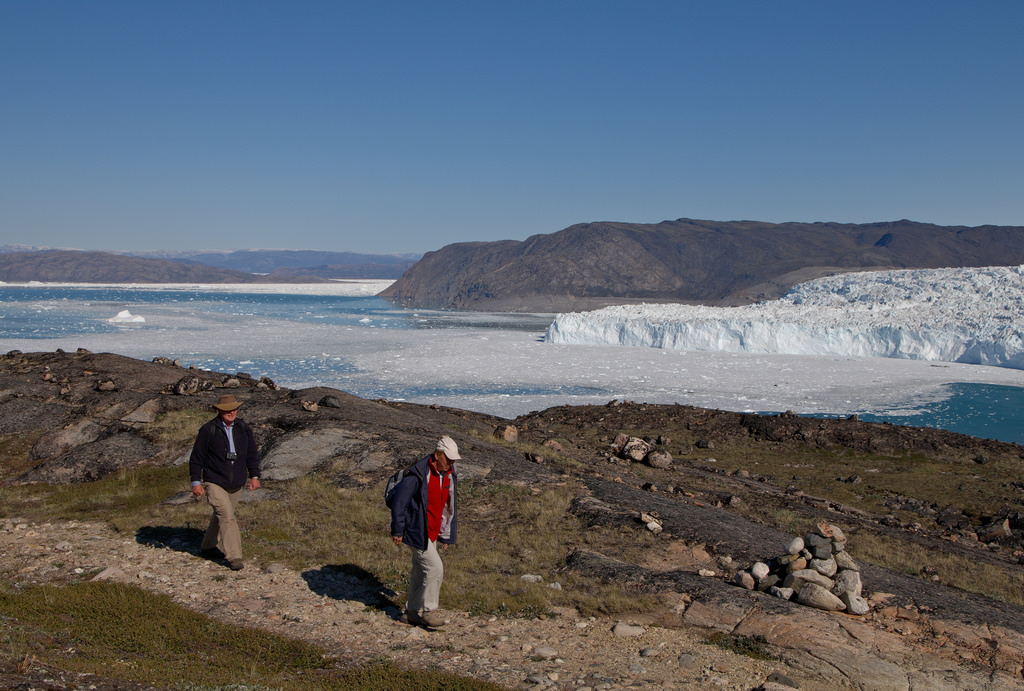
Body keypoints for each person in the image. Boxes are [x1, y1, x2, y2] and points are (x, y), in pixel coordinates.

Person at [390, 435, 460, 628]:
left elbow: (448, 506)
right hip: (416, 531)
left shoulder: (449, 475)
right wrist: (397, 530)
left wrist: (446, 534)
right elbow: (400, 503)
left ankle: (411, 612)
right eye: (448, 458)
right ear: (438, 455)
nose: (451, 463)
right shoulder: (418, 474)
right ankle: (429, 611)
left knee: (420, 572)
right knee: (435, 568)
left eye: (453, 459)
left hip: (432, 531)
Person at [189, 394, 261, 570]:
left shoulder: (243, 428)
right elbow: (196, 458)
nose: (232, 412)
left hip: (236, 482)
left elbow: (252, 453)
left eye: (234, 409)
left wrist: (254, 475)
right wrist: (195, 482)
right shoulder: (208, 430)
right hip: (214, 481)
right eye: (228, 410)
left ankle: (207, 546)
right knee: (227, 516)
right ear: (220, 410)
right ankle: (234, 556)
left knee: (221, 515)